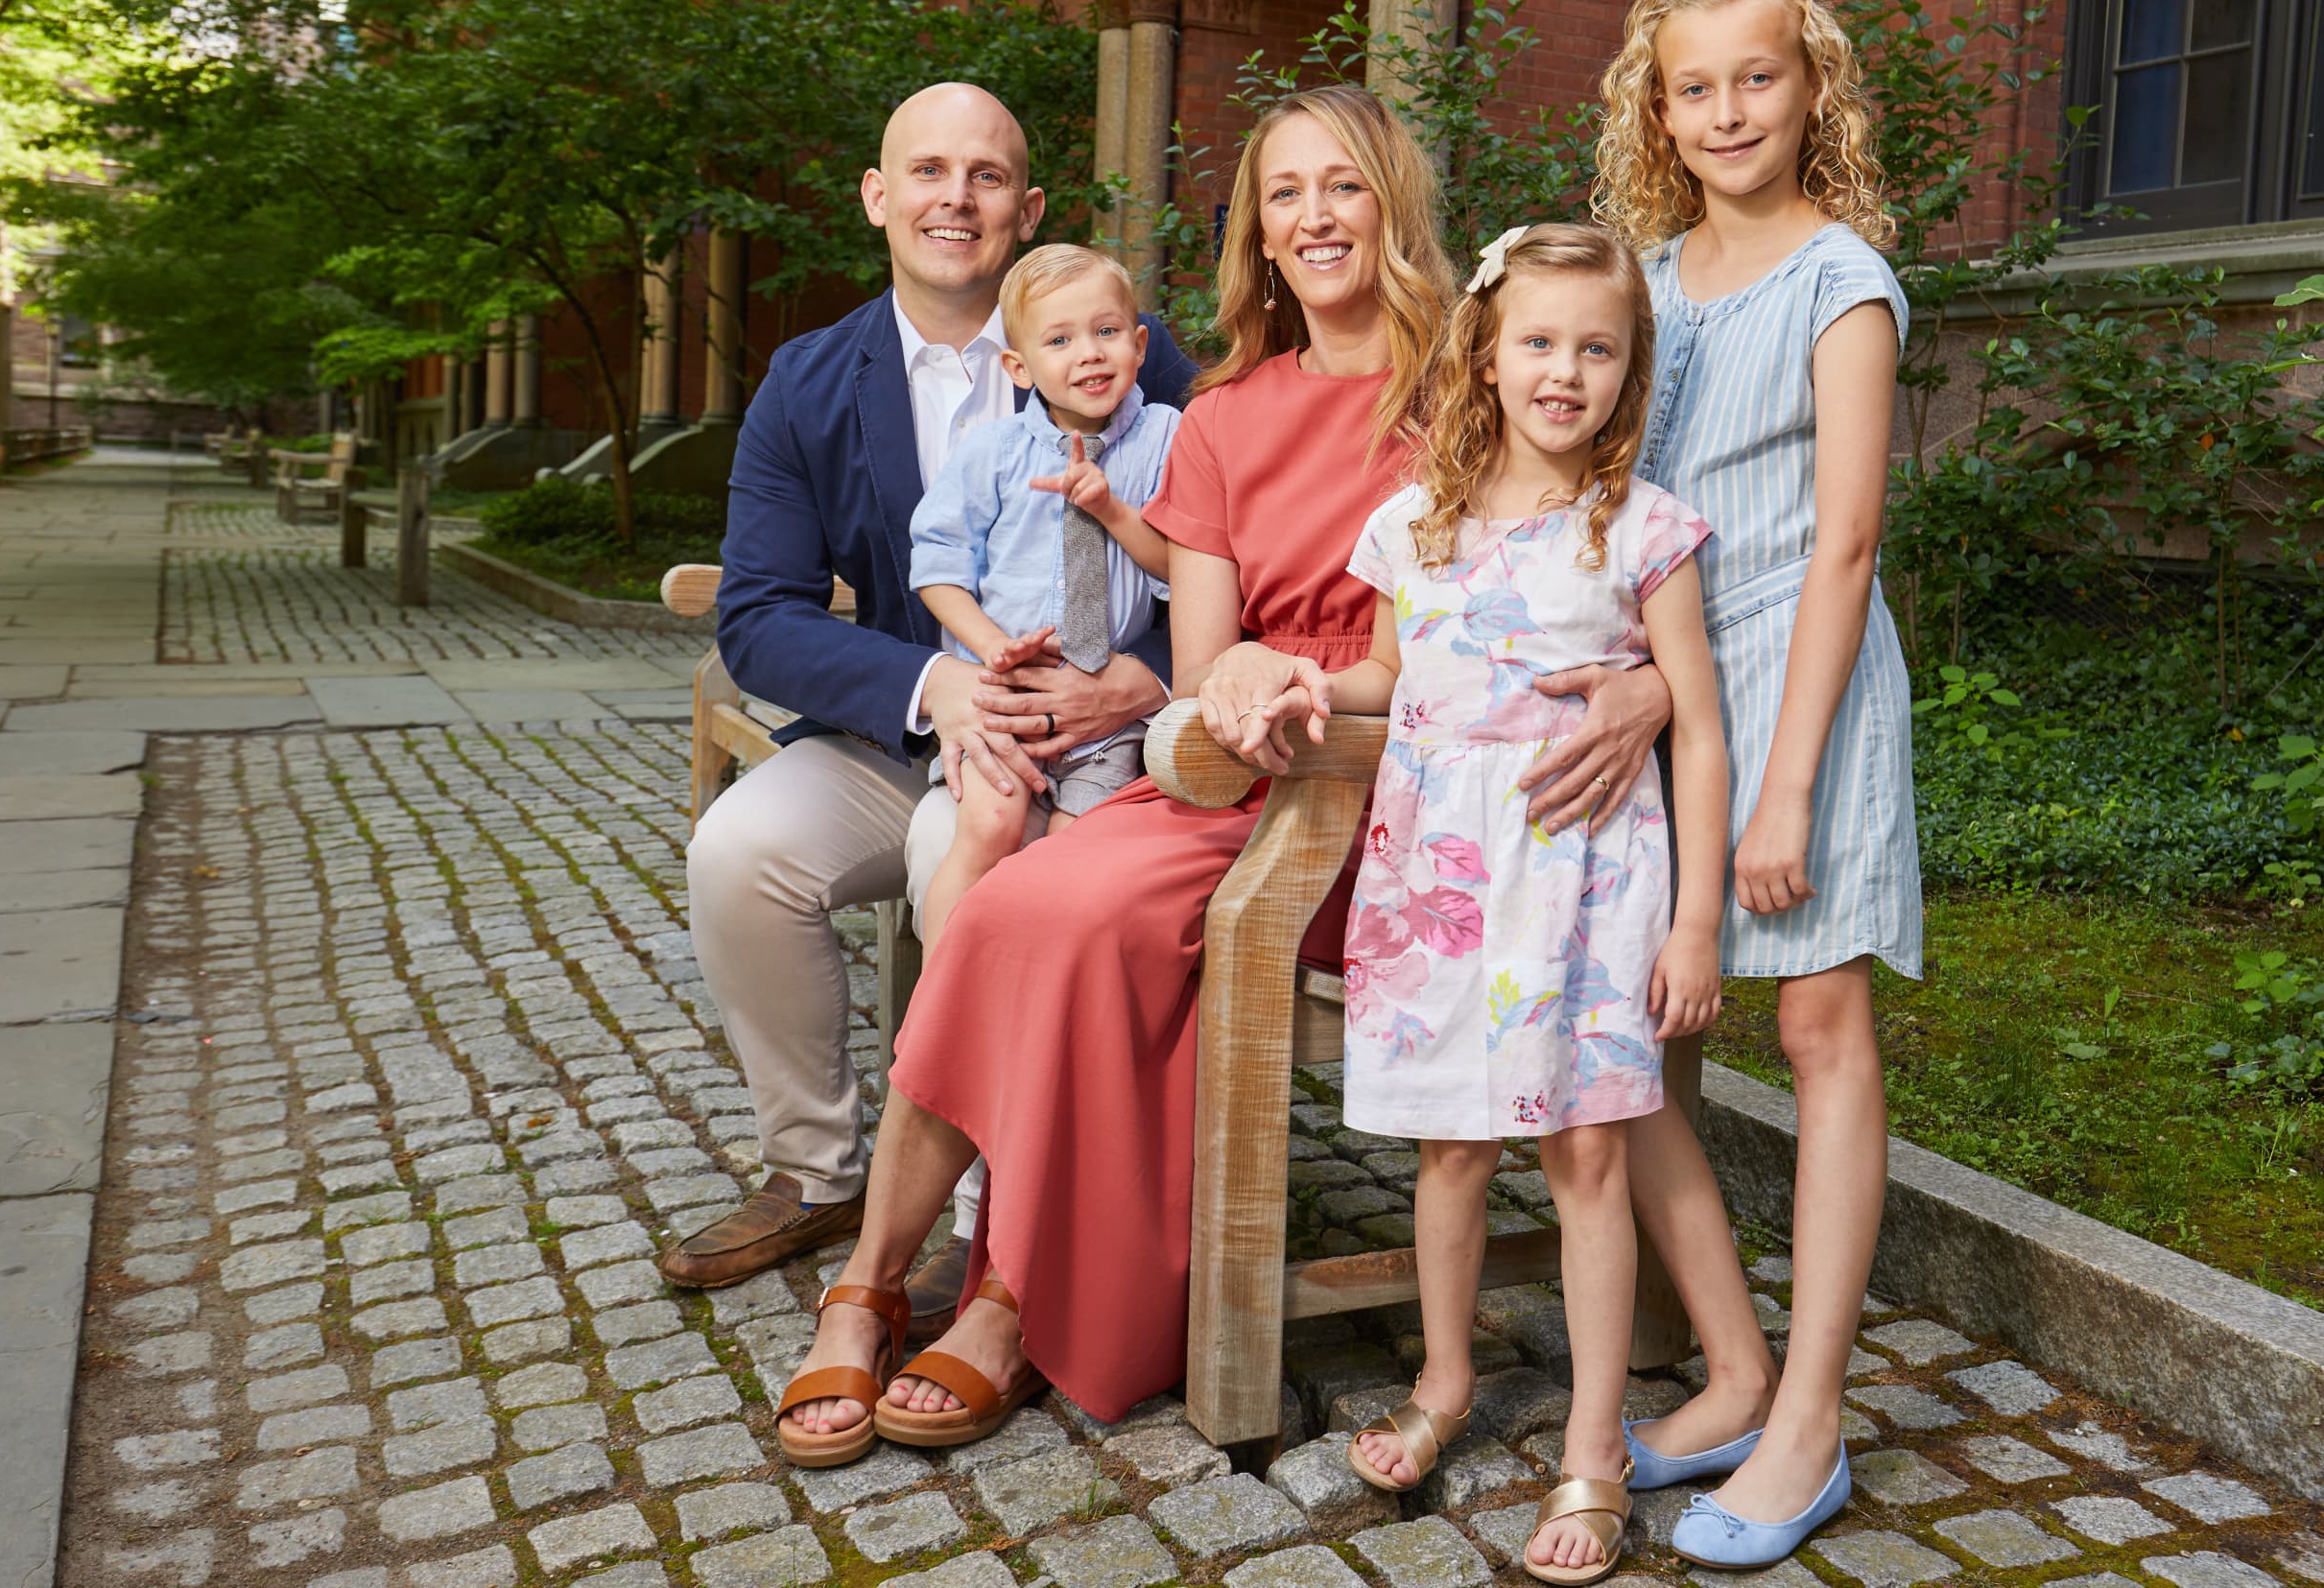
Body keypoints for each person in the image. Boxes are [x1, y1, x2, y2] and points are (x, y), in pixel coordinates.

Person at [767, 84, 1678, 1468]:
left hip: (1415, 802)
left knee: (1072, 920)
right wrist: (1238, 680)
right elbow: (1200, 673)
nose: (1316, 216)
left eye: (1345, 185)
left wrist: (1654, 680)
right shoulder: (1224, 416)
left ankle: (1016, 1291)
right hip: (1238, 771)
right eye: (1286, 192)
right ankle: (876, 1281)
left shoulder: (1476, 383)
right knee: (1013, 908)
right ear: (1258, 227)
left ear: (1393, 204)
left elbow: (1550, 589)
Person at [666, 86, 1195, 1340]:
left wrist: (1151, 673)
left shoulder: (1130, 346)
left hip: (1068, 742)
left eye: (989, 176)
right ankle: (820, 1172)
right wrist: (934, 685)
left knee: (975, 876)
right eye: (930, 171)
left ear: (1029, 209)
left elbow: (1219, 552)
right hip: (886, 730)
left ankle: (994, 1226)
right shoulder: (807, 379)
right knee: (738, 852)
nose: (957, 198)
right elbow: (763, 617)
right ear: (878, 196)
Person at [1271, 223, 1728, 1587]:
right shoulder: (1412, 520)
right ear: (1485, 352)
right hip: (1436, 885)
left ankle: (1594, 1442)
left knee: (1589, 1156)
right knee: (1451, 1152)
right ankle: (1448, 1381)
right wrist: (1289, 680)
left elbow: (1695, 732)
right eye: (1538, 341)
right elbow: (1386, 677)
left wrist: (1696, 920)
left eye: (1597, 348)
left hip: (1585, 883)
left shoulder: (1645, 530)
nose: (1565, 371)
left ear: (1629, 367)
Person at [1588, 0, 1926, 1568]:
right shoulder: (1642, 283)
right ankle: (1730, 1365)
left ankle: (1812, 1413)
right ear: (1659, 113)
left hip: (1811, 681)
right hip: (1671, 688)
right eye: (1694, 87)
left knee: (1815, 1017)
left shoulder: (1842, 277)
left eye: (1758, 79)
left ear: (1813, 92)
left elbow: (1848, 544)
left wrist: (1786, 783)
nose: (1727, 111)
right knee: (1651, 1030)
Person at [908, 243, 1181, 949]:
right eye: (1060, 340)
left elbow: (1183, 568)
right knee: (986, 831)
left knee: (1074, 860)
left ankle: (1033, 1007)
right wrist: (989, 645)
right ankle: (940, 1009)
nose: (1088, 353)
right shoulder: (992, 450)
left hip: (1108, 721)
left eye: (1106, 331)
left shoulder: (1166, 439)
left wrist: (1115, 510)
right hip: (1006, 704)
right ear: (1020, 369)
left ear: (1140, 343)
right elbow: (938, 564)